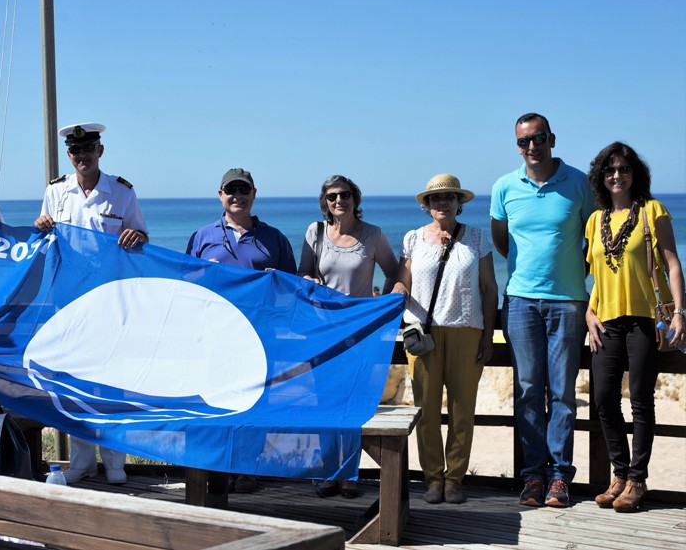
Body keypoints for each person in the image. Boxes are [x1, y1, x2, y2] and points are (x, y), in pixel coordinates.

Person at [34, 122, 148, 485]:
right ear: (70, 155)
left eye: (89, 149)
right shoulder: (57, 192)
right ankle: (82, 461)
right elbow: (46, 238)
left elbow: (142, 235)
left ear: (101, 150)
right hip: (68, 303)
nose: (82, 156)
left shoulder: (121, 192)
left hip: (110, 301)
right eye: (75, 151)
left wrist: (136, 235)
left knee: (112, 382)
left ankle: (115, 461)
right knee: (75, 383)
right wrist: (40, 225)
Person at [490, 113, 593, 508]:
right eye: (523, 142)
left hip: (568, 301)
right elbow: (503, 241)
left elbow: (594, 241)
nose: (531, 147)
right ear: (517, 145)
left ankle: (559, 477)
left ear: (552, 139)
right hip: (518, 301)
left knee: (563, 392)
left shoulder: (579, 183)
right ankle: (533, 475)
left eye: (539, 138)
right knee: (528, 390)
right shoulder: (504, 187)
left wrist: (573, 277)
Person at [584, 142, 684, 512]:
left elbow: (672, 264)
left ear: (634, 174)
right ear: (601, 176)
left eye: (624, 169)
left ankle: (637, 481)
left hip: (644, 320)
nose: (617, 175)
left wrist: (678, 313)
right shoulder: (595, 220)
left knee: (641, 401)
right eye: (610, 170)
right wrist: (588, 312)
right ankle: (620, 474)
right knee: (604, 399)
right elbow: (593, 273)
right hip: (605, 321)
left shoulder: (652, 211)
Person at [186, 167, 297, 493]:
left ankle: (249, 468)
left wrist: (278, 280)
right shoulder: (202, 237)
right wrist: (204, 275)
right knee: (217, 401)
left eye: (243, 190)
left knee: (255, 403)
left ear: (253, 194)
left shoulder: (274, 238)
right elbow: (183, 284)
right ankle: (220, 468)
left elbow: (291, 290)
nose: (237, 195)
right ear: (220, 195)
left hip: (260, 337)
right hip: (216, 336)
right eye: (230, 190)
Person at [392, 174, 497, 505]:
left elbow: (490, 289)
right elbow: (402, 282)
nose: (442, 203)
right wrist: (387, 295)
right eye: (435, 198)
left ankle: (455, 480)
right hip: (423, 334)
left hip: (468, 331)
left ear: (459, 203)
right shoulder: (412, 239)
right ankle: (433, 479)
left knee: (462, 410)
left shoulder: (476, 238)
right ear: (426, 205)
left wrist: (488, 336)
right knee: (426, 412)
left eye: (449, 197)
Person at [299, 174, 398, 498]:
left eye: (344, 195)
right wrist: (311, 279)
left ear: (355, 198)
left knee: (353, 403)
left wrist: (378, 308)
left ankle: (349, 476)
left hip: (359, 334)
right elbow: (303, 274)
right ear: (324, 203)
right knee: (323, 402)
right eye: (331, 197)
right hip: (322, 332)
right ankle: (328, 471)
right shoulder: (315, 233)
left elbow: (394, 273)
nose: (338, 201)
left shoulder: (373, 235)